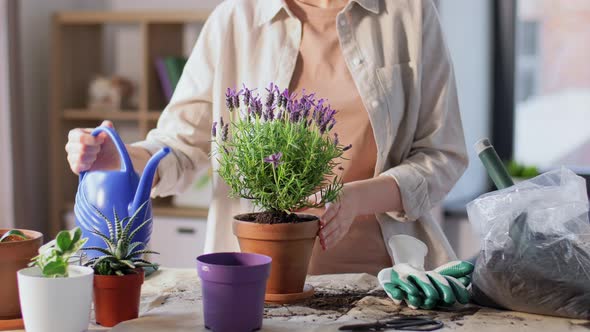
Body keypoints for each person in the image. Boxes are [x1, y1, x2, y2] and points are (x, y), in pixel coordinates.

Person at [65, 0, 467, 276]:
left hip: (383, 278)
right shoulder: (236, 19)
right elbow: (180, 146)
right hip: (255, 279)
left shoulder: (409, 14)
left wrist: (355, 198)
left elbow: (441, 154)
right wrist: (118, 159)